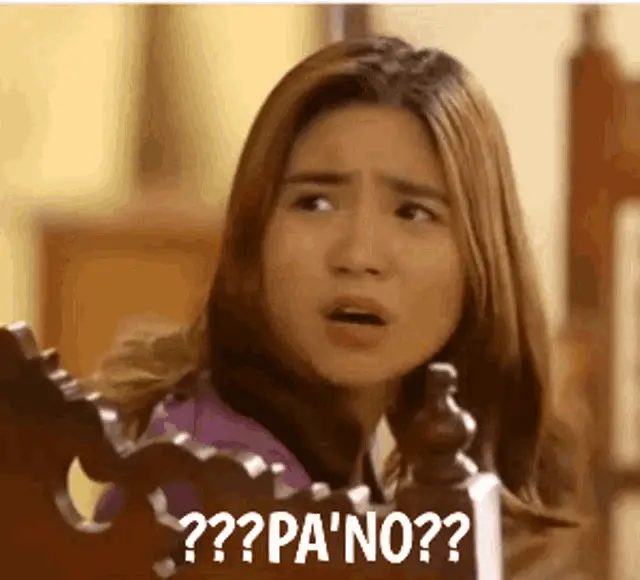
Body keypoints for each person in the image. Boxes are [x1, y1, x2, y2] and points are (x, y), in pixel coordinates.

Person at [80, 36, 591, 576]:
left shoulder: (330, 464)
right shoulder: (223, 485)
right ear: (254, 237)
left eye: (413, 213)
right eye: (315, 203)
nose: (358, 255)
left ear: (482, 258)